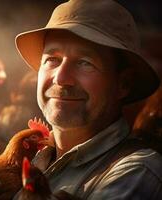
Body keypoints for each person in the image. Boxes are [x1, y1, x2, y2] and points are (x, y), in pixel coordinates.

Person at [14, 0, 162, 199]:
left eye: (85, 63)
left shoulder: (137, 171)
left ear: (123, 84)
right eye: (52, 59)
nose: (61, 78)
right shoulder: (32, 158)